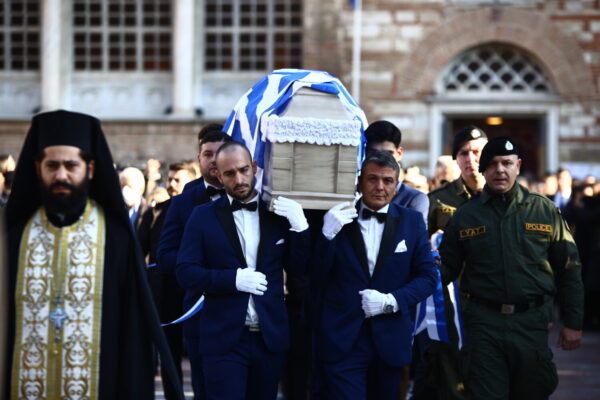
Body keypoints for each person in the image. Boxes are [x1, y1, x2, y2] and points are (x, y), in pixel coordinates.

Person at [3, 110, 182, 399]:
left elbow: (132, 334)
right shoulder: (13, 237)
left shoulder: (115, 239)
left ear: (90, 168)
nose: (61, 175)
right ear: (37, 168)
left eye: (71, 165)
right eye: (52, 165)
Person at [438, 136, 583, 399]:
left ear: (518, 165)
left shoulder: (544, 210)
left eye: (506, 163)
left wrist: (573, 321)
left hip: (531, 323)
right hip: (484, 324)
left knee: (532, 392)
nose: (500, 170)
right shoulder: (466, 216)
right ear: (483, 170)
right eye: (492, 164)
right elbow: (445, 268)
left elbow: (569, 268)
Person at [176, 141, 311, 399]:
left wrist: (300, 227)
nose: (238, 179)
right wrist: (232, 279)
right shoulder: (202, 216)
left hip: (268, 338)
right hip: (223, 340)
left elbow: (299, 269)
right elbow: (185, 271)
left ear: (255, 167)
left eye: (243, 170)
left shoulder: (277, 214)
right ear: (218, 175)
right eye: (229, 173)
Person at [313, 151, 437, 399]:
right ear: (360, 182)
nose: (380, 187)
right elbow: (314, 275)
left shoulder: (412, 221)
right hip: (343, 340)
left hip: (390, 341)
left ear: (396, 185)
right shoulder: (336, 217)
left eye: (387, 180)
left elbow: (427, 277)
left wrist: (391, 301)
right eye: (372, 179)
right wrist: (326, 236)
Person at [157, 129, 232, 399]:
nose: (213, 160)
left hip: (244, 318)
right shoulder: (183, 203)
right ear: (198, 159)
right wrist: (198, 265)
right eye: (207, 154)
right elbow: (165, 257)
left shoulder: (251, 198)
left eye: (219, 153)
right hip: (202, 316)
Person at [138, 161, 197, 400]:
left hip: (195, 292)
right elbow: (140, 249)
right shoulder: (156, 212)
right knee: (169, 355)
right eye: (169, 179)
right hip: (165, 293)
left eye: (177, 179)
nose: (171, 184)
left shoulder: (202, 210)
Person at [364, 120, 429, 226]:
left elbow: (415, 234)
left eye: (388, 154)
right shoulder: (356, 194)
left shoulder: (414, 199)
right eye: (374, 154)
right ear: (365, 153)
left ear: (399, 153)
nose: (381, 160)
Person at [428, 125, 488, 237]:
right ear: (456, 159)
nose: (470, 159)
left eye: (476, 152)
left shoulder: (503, 194)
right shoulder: (437, 198)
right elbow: (422, 241)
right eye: (464, 153)